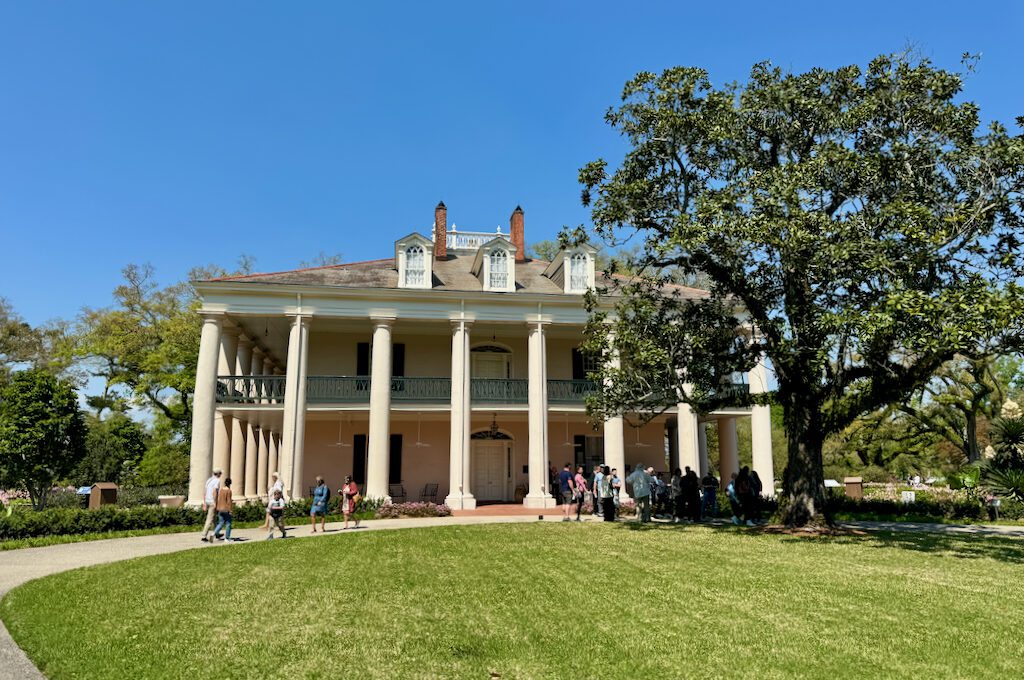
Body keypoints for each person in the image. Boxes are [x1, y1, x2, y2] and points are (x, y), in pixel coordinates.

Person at [200, 467, 222, 542]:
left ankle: (217, 533)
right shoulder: (217, 481)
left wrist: (204, 502)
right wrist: (215, 502)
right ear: (218, 474)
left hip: (207, 500)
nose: (221, 474)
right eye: (220, 473)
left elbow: (205, 491)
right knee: (210, 519)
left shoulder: (209, 480)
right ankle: (204, 535)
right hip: (212, 501)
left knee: (214, 518)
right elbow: (215, 492)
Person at [213, 477, 234, 541]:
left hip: (220, 509)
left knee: (221, 523)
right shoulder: (229, 491)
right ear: (230, 484)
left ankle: (214, 533)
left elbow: (219, 499)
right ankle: (227, 538)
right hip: (226, 509)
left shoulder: (221, 490)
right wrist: (230, 510)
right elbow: (229, 501)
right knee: (228, 524)